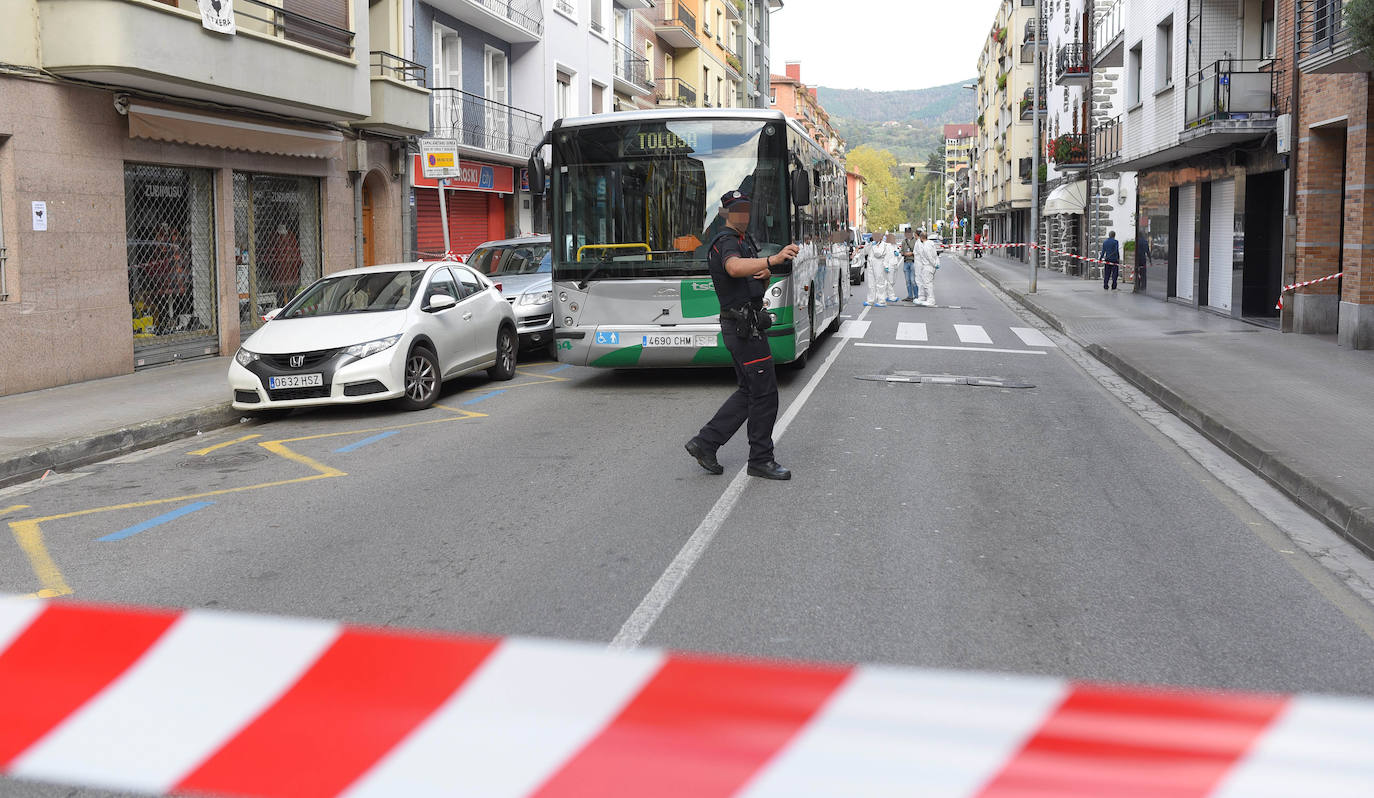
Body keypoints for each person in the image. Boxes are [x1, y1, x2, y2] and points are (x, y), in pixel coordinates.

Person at [685, 190, 800, 481]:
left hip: (745, 325)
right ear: (725, 213)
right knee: (765, 394)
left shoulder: (742, 241)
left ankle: (705, 443)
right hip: (743, 329)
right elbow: (733, 267)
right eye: (737, 209)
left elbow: (746, 282)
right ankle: (761, 459)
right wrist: (772, 260)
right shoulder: (726, 242)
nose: (743, 214)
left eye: (747, 209)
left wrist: (764, 276)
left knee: (749, 391)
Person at [914, 228, 940, 307]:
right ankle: (929, 299)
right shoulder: (931, 244)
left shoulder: (925, 246)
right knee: (928, 283)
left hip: (927, 266)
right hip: (931, 267)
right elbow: (935, 255)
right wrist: (936, 263)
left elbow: (929, 257)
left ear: (921, 237)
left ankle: (931, 300)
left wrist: (934, 264)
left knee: (927, 284)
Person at [863, 230, 889, 307]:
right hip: (870, 264)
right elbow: (865, 252)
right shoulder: (872, 244)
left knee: (880, 282)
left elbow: (878, 254)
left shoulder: (883, 245)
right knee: (871, 283)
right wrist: (868, 244)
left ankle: (881, 300)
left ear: (881, 237)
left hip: (879, 264)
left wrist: (874, 246)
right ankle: (870, 300)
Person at [900, 228, 919, 302]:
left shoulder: (916, 241)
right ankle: (910, 296)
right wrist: (904, 253)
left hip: (913, 262)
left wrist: (911, 253)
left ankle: (916, 296)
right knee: (907, 281)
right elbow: (901, 252)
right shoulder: (904, 241)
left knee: (913, 280)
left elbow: (917, 251)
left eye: (909, 233)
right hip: (906, 262)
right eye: (906, 233)